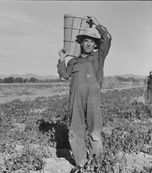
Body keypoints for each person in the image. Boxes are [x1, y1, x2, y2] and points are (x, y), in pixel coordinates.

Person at [57, 16, 112, 167]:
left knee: (94, 131)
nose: (88, 44)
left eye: (91, 41)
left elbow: (107, 38)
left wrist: (96, 23)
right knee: (75, 131)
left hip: (94, 98)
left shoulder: (98, 57)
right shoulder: (73, 61)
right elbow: (64, 75)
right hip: (76, 100)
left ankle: (96, 163)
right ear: (80, 43)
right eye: (85, 41)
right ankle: (81, 163)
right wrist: (62, 59)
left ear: (95, 44)